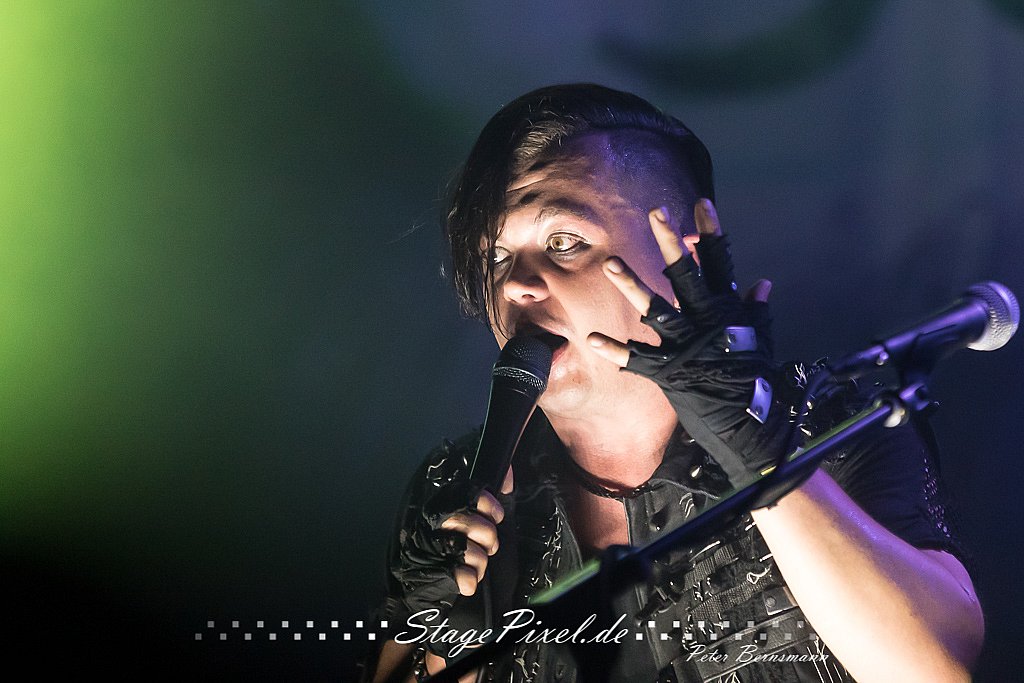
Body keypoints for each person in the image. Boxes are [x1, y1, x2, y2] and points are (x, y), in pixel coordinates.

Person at [364, 84, 984, 682]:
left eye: (564, 242)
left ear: (680, 259)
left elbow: (935, 671)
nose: (515, 285)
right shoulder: (452, 487)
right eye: (496, 255)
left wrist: (762, 457)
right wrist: (434, 626)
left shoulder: (829, 424)